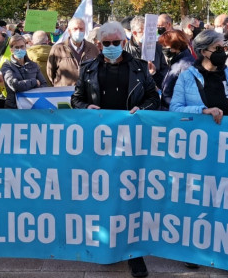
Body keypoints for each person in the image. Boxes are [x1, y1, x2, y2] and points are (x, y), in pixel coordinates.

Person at [70, 21, 159, 278]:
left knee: (130, 196)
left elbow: (154, 98)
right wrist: (86, 109)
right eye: (106, 43)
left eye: (115, 43)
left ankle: (134, 254)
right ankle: (104, 244)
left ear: (124, 42)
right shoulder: (87, 68)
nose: (111, 47)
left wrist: (143, 110)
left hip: (131, 144)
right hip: (100, 143)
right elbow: (76, 99)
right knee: (102, 194)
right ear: (99, 45)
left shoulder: (140, 68)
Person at [169, 29, 228, 121]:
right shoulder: (187, 77)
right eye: (217, 48)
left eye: (223, 48)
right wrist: (203, 111)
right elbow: (175, 109)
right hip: (201, 133)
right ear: (203, 52)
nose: (222, 52)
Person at [46, 18, 100, 87]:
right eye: (75, 29)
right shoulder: (57, 49)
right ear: (69, 31)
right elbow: (50, 73)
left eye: (81, 29)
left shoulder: (93, 48)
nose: (78, 32)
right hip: (64, 93)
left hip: (87, 93)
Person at [1, 35, 47, 109]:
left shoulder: (34, 65)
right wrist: (34, 82)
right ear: (11, 50)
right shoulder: (7, 66)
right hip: (14, 107)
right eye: (16, 47)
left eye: (22, 46)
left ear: (26, 47)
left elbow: (44, 85)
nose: (20, 49)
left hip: (32, 106)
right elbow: (14, 85)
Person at [124, 16, 169, 88]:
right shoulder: (125, 50)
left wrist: (155, 74)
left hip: (155, 93)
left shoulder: (157, 47)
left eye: (150, 31)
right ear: (135, 33)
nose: (149, 35)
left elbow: (165, 70)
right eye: (145, 32)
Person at [157, 29, 195, 111]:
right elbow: (168, 86)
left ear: (175, 46)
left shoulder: (186, 64)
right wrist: (154, 74)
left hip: (176, 114)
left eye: (165, 46)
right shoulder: (175, 61)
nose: (163, 48)